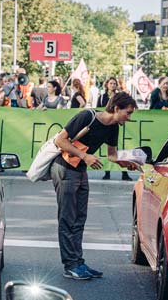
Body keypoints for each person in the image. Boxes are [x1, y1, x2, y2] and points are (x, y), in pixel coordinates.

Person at [51, 92, 140, 280]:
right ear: (116, 108)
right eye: (128, 112)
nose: (129, 117)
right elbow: (60, 140)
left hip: (80, 169)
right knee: (68, 218)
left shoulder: (114, 126)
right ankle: (70, 266)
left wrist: (127, 162)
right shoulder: (87, 116)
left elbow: (112, 155)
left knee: (80, 217)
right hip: (65, 168)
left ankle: (78, 262)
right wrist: (85, 156)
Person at [96, 77, 130, 181]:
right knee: (109, 150)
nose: (113, 85)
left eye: (114, 83)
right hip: (106, 125)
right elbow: (99, 110)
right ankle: (107, 172)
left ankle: (124, 173)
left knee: (120, 148)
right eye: (111, 83)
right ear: (107, 85)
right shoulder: (102, 97)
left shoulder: (119, 97)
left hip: (115, 125)